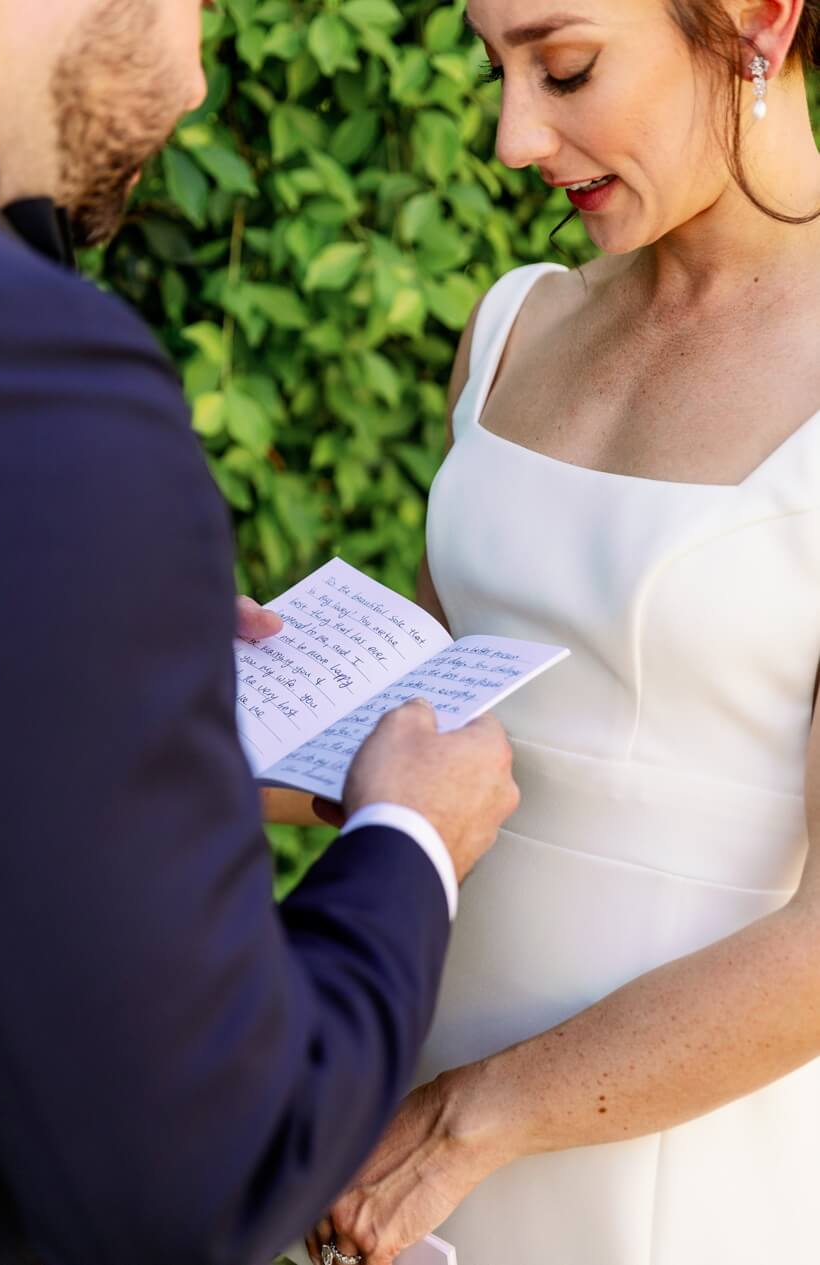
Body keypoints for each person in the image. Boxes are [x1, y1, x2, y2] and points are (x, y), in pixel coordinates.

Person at [0, 2, 521, 1263]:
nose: (194, 86)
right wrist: (405, 836)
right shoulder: (50, 364)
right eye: (199, 6)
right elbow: (197, 1157)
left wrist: (128, 671)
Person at [309, 2, 820, 1263]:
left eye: (565, 66)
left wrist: (471, 1123)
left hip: (662, 1164)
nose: (510, 134)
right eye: (494, 68)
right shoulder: (515, 323)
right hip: (406, 1114)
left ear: (758, 18)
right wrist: (210, 703)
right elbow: (437, 743)